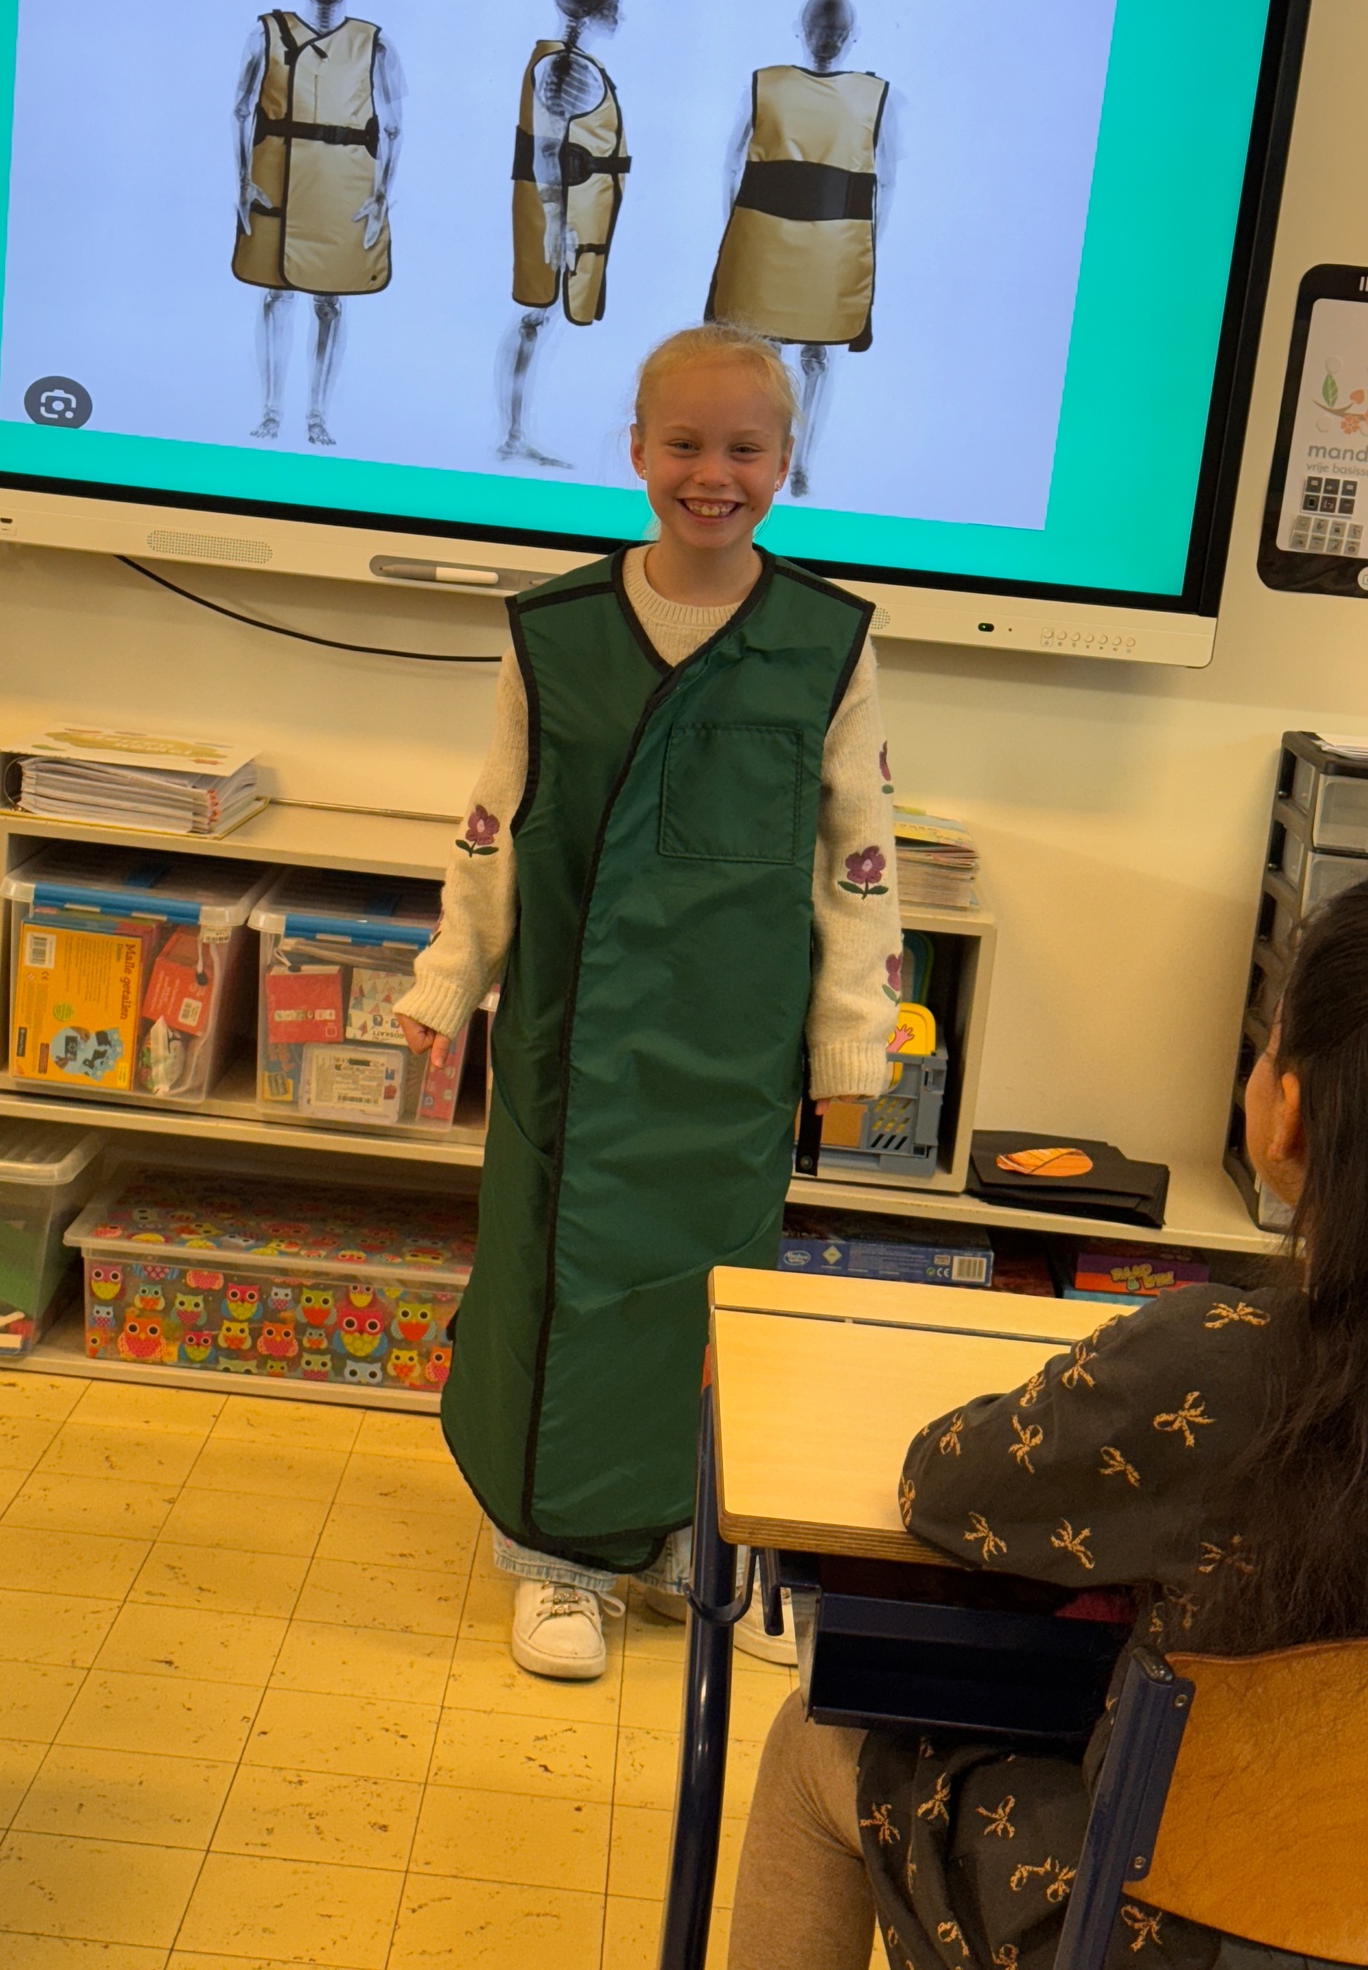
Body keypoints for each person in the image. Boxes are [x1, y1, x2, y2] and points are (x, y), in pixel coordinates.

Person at [728, 880, 1368, 1970]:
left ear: (1290, 1112)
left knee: (816, 1742)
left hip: (1165, 1937)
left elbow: (944, 1483)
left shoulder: (1217, 1365)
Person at [399, 323, 902, 1680]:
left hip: (733, 1053)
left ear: (785, 461)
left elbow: (858, 858)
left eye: (744, 448)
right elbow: (494, 822)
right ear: (636, 450)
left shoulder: (827, 642)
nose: (711, 473)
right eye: (684, 443)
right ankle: (558, 1558)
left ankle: (684, 1537)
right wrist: (449, 976)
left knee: (708, 1302)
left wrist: (853, 1044)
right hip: (573, 1044)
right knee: (556, 1295)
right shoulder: (557, 631)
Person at [708, 0, 897, 498]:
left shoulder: (874, 96)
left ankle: (802, 463)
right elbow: (731, 164)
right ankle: (765, 459)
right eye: (819, 31)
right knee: (764, 355)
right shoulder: (765, 85)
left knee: (817, 352)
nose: (826, 41)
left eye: (836, 33)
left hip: (834, 242)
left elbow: (885, 181)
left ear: (851, 37)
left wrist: (868, 249)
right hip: (767, 235)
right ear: (801, 30)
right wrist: (738, 235)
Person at [232, 0, 405, 447]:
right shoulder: (265, 33)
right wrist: (244, 180)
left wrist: (381, 195)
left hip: (342, 182)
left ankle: (317, 414)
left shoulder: (376, 44)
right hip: (276, 179)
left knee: (331, 299)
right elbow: (242, 110)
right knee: (276, 294)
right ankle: (271, 409)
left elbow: (393, 126)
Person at [497, 0, 627, 467]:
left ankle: (515, 433)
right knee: (536, 315)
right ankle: (514, 435)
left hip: (571, 209)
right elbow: (547, 147)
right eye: (611, 9)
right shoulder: (565, 67)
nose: (619, 18)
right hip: (562, 211)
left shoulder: (571, 63)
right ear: (590, 15)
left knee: (541, 315)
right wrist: (556, 220)